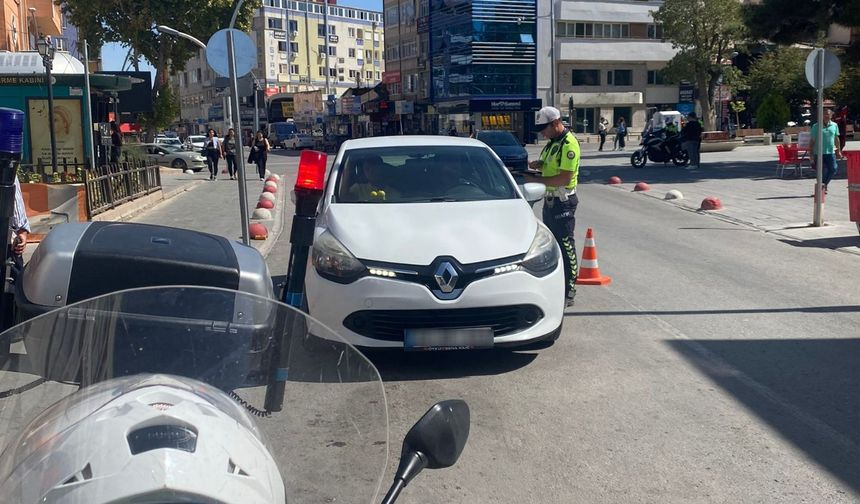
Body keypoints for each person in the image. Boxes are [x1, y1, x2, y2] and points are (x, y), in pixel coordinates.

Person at [520, 106, 581, 307]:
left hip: (563, 201)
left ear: (556, 123)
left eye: (544, 128)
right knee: (553, 245)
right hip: (550, 201)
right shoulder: (552, 144)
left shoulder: (568, 144)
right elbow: (547, 165)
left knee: (565, 245)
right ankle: (559, 285)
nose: (542, 133)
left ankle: (570, 290)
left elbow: (564, 177)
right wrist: (536, 165)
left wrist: (535, 180)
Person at [809, 108, 843, 194]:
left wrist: (838, 151)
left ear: (831, 115)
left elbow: (836, 138)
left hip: (830, 152)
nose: (826, 116)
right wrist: (811, 154)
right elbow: (812, 141)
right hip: (818, 152)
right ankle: (821, 189)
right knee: (820, 172)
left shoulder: (834, 125)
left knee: (833, 169)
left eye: (828, 114)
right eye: (824, 114)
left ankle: (823, 185)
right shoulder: (816, 126)